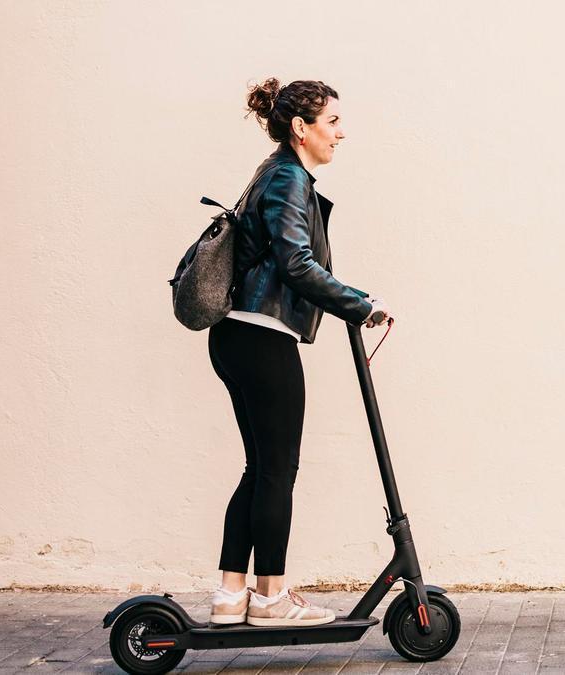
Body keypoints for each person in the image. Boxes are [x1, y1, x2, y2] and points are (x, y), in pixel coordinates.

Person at [205, 78, 390, 627]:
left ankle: (231, 594)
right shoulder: (288, 178)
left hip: (238, 336)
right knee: (278, 470)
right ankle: (270, 598)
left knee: (261, 468)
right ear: (300, 128)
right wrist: (360, 304)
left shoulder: (275, 172)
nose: (340, 133)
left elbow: (292, 261)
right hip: (263, 337)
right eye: (332, 121)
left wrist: (354, 300)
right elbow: (296, 263)